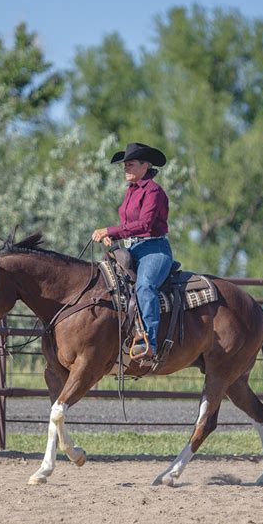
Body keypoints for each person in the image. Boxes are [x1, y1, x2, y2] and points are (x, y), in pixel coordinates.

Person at [92, 141, 173, 361]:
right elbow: (129, 226)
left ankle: (150, 341)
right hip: (132, 248)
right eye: (125, 165)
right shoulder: (131, 191)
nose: (126, 168)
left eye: (131, 164)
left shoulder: (154, 191)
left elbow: (145, 225)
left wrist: (110, 230)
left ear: (145, 166)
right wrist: (114, 236)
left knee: (145, 286)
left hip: (154, 249)